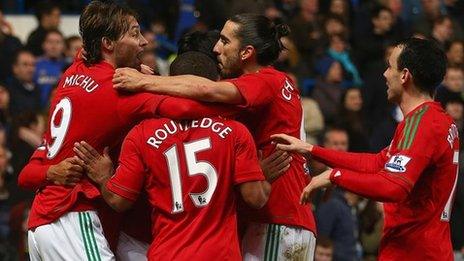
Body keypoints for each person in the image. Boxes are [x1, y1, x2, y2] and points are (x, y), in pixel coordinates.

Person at [17, 1, 233, 260]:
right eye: (133, 33)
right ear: (108, 44)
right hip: (71, 215)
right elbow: (190, 106)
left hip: (43, 220)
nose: (143, 42)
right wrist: (148, 81)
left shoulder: (74, 70)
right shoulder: (120, 92)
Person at [113, 13, 317, 260]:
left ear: (246, 52)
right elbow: (196, 104)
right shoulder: (265, 88)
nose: (216, 48)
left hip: (279, 217)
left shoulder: (265, 81)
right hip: (278, 218)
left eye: (225, 41)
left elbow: (204, 89)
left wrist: (143, 82)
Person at [72, 52, 271, 261]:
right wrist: (264, 176)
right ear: (218, 83)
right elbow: (255, 198)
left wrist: (104, 177)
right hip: (221, 254)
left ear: (170, 82)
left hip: (168, 253)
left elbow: (119, 200)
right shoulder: (235, 132)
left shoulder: (142, 133)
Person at [272, 38, 458, 260]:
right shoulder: (440, 120)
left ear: (405, 75)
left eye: (390, 67)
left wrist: (336, 176)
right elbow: (379, 163)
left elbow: (393, 187)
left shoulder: (422, 124)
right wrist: (312, 150)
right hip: (429, 247)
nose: (385, 74)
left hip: (413, 252)